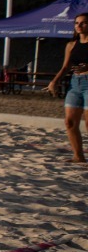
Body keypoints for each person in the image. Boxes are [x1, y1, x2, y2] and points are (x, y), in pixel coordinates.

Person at [46, 12, 88, 163]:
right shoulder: (71, 45)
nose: (79, 26)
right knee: (69, 122)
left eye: (83, 23)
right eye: (77, 23)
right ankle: (78, 156)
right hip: (75, 83)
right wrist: (54, 81)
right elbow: (65, 67)